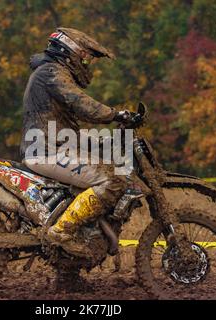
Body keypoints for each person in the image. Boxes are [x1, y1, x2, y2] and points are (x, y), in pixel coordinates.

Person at [20, 27, 136, 257]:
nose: (87, 63)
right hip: (46, 150)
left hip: (51, 146)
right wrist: (116, 114)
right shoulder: (51, 73)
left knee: (105, 163)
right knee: (111, 180)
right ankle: (61, 232)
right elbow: (80, 103)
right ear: (69, 51)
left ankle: (77, 250)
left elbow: (75, 116)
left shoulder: (51, 73)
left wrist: (104, 139)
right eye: (85, 57)